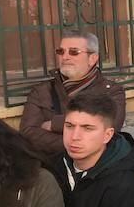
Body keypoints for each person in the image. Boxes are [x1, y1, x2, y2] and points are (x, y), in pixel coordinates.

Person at [20, 29, 126, 157]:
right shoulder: (42, 91)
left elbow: (110, 128)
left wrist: (54, 124)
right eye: (61, 51)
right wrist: (79, 142)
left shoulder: (111, 91)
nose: (65, 57)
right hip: (54, 169)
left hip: (95, 171)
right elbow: (28, 133)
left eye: (73, 52)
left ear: (92, 58)